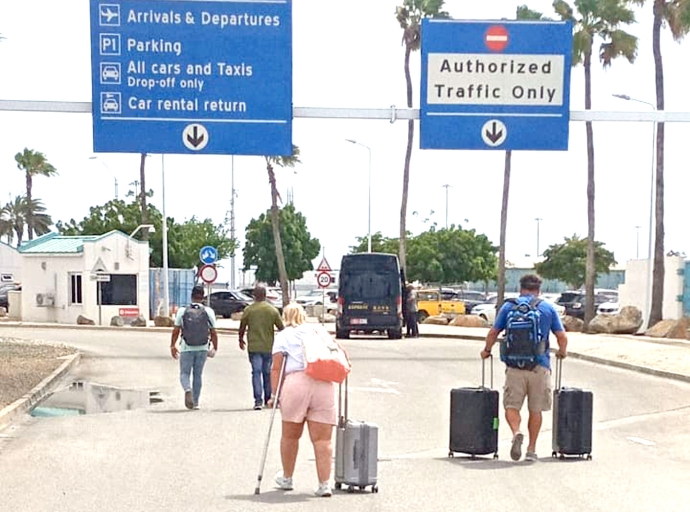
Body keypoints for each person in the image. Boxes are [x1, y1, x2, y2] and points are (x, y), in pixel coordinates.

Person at [480, 274, 568, 462]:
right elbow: (562, 337)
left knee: (512, 406)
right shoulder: (547, 308)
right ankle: (531, 449)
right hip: (539, 366)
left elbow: (493, 332)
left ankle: (516, 432)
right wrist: (562, 352)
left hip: (514, 367)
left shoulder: (509, 307)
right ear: (539, 289)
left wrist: (486, 350)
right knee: (535, 410)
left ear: (520, 288)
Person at [268, 302, 337, 498]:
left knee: (290, 436)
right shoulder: (318, 331)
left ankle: (287, 478)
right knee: (323, 439)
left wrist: (274, 395)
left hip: (296, 383)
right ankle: (324, 483)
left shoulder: (283, 336)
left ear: (285, 316)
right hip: (323, 383)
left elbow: (276, 368)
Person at [170, 285, 218, 410]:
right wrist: (214, 348)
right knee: (198, 375)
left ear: (191, 296)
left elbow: (176, 330)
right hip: (202, 347)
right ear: (203, 297)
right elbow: (213, 331)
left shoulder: (182, 311)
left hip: (187, 347)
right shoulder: (208, 311)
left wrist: (172, 345)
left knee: (184, 373)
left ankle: (187, 389)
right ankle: (195, 402)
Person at [239, 285, 284, 410]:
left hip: (254, 347)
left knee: (256, 372)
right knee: (267, 372)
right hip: (269, 347)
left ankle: (257, 401)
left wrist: (240, 339)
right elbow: (281, 328)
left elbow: (242, 326)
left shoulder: (249, 310)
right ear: (265, 295)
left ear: (254, 296)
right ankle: (268, 399)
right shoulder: (272, 310)